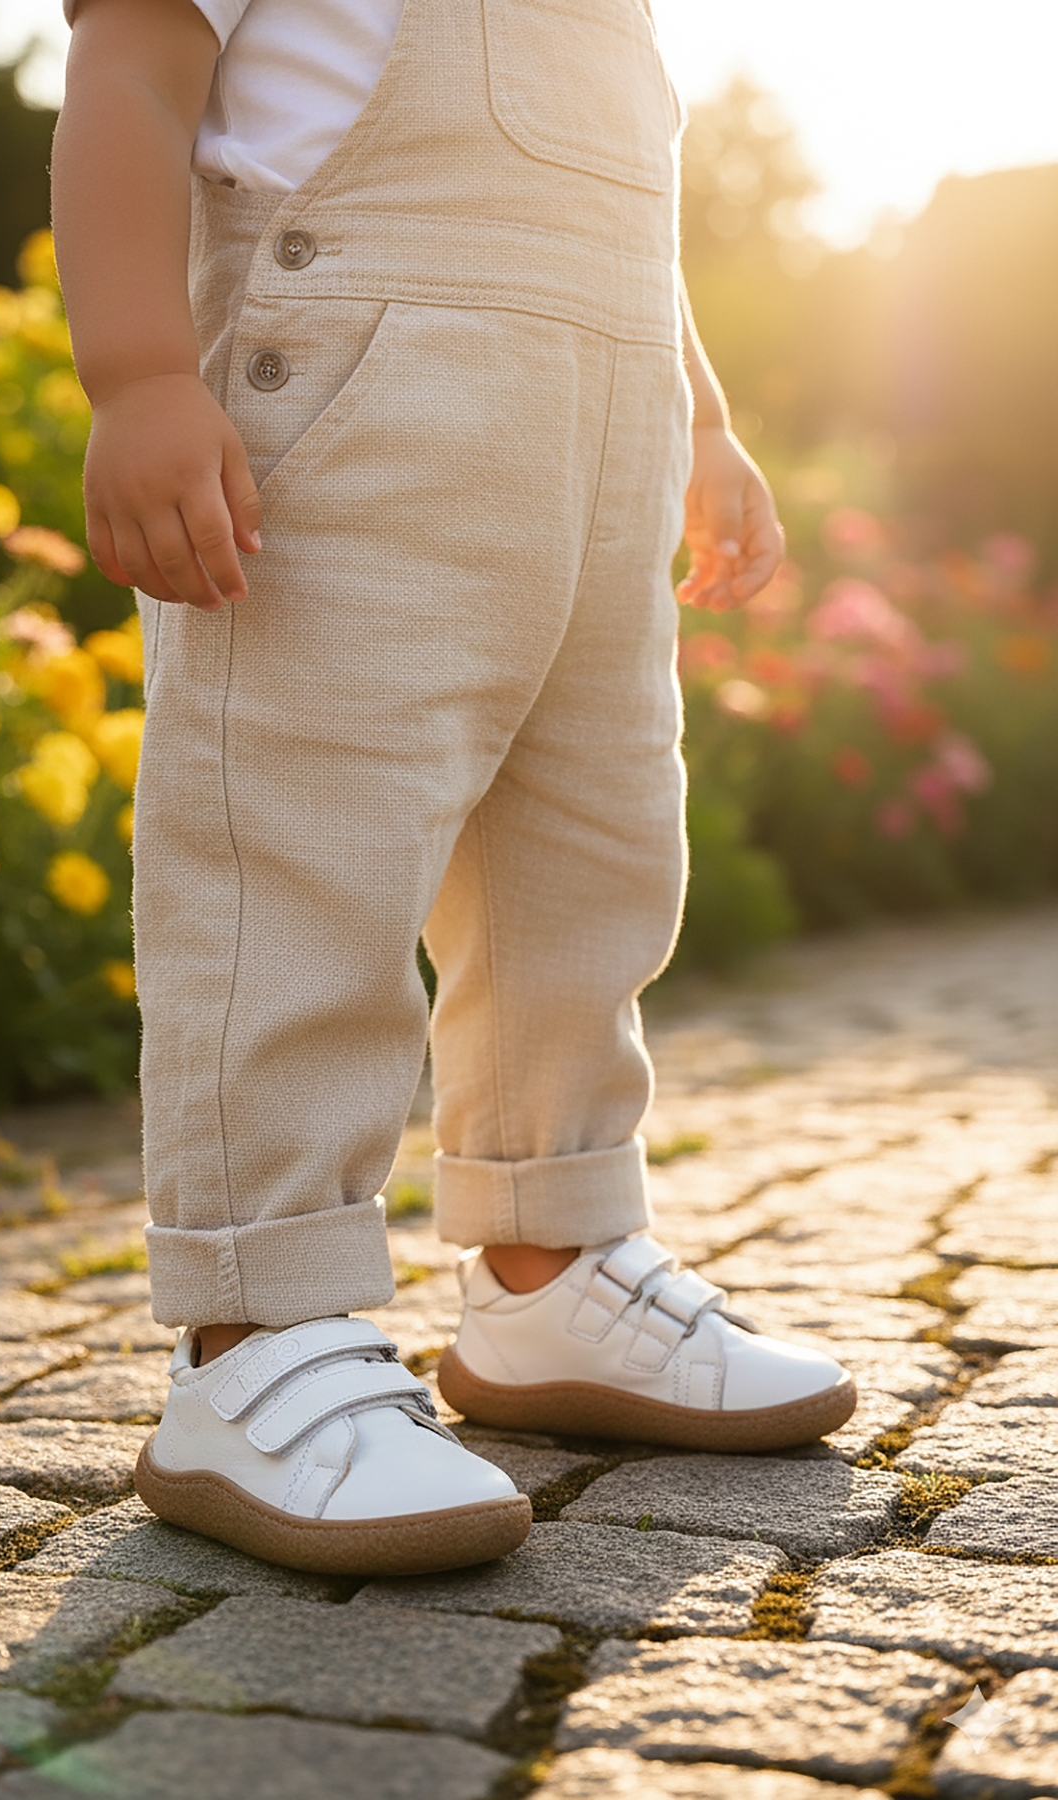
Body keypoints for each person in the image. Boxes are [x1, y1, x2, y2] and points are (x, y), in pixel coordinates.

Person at [52, 0, 857, 1578]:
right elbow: (133, 68)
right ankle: (252, 1322)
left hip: (600, 444)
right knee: (303, 854)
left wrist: (700, 417)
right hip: (356, 425)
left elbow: (622, 196)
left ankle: (553, 1250)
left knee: (595, 853)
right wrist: (141, 372)